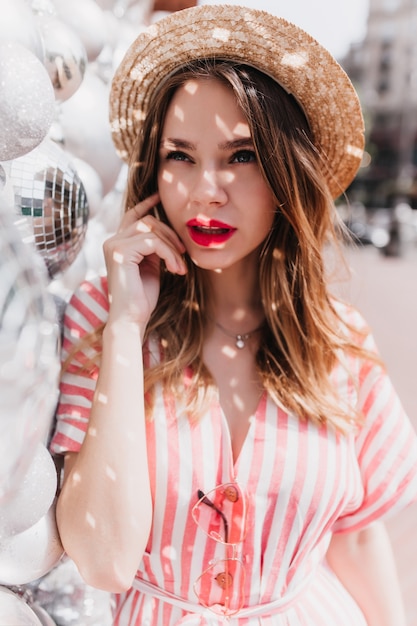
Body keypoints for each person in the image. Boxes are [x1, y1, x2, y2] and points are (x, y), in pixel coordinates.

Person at [50, 5, 417, 625]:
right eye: (180, 156)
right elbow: (104, 560)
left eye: (241, 156)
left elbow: (356, 536)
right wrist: (124, 329)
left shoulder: (339, 344)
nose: (205, 190)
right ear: (153, 171)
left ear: (285, 176)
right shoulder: (103, 319)